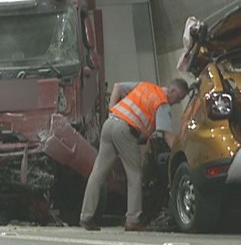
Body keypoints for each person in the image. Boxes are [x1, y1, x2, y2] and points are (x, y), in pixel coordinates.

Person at [79, 78, 190, 231]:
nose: (177, 102)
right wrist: (179, 154)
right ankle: (132, 220)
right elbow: (167, 135)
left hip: (110, 124)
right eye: (178, 98)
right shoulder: (162, 104)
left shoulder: (145, 87)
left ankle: (86, 216)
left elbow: (117, 85)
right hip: (125, 131)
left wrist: (112, 109)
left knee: (97, 173)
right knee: (135, 175)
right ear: (172, 91)